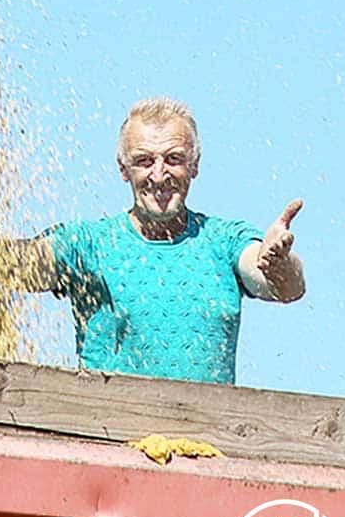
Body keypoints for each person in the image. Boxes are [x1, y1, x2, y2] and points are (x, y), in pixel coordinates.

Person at [15, 96, 306, 384]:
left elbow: (285, 287)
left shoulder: (223, 241)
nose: (159, 174)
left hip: (207, 428)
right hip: (110, 426)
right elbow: (19, 266)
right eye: (144, 161)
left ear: (195, 165)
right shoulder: (87, 244)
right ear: (123, 169)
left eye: (173, 159)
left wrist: (277, 263)